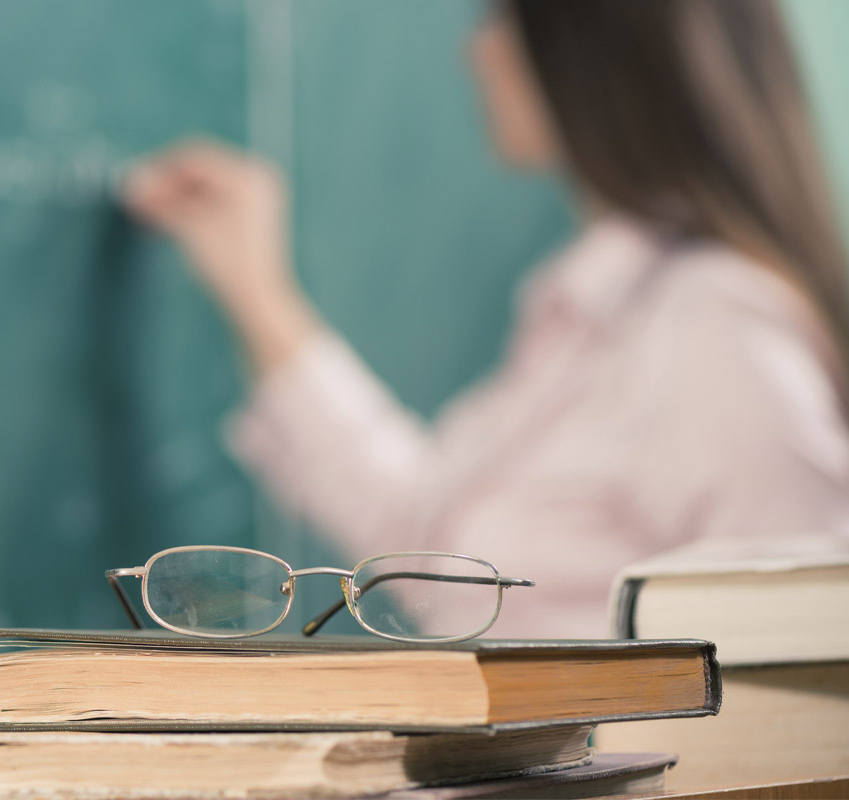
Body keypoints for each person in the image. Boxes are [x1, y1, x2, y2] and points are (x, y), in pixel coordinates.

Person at [119, 0, 849, 638]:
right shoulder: (601, 310)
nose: (478, 47)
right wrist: (258, 293)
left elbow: (794, 662)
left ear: (586, 54)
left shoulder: (715, 329)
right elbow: (431, 551)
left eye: (504, 16)